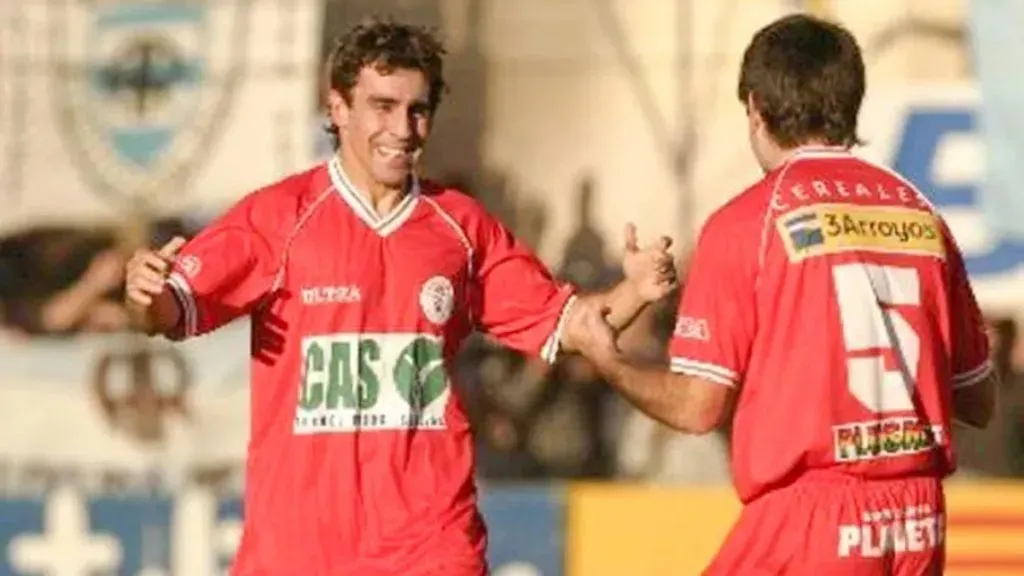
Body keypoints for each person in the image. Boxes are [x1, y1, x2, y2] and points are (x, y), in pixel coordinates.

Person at [123, 19, 675, 576]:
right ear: (337, 107)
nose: (403, 128)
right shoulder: (277, 217)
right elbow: (168, 312)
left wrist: (635, 291)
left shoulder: (461, 227)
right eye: (382, 107)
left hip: (429, 548)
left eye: (417, 109)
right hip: (300, 552)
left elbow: (574, 326)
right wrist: (145, 294)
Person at [572, 13, 998, 575]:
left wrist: (611, 361)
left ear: (755, 108)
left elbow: (698, 407)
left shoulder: (749, 220)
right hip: (917, 517)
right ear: (851, 104)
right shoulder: (920, 214)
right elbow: (979, 400)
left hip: (813, 515)